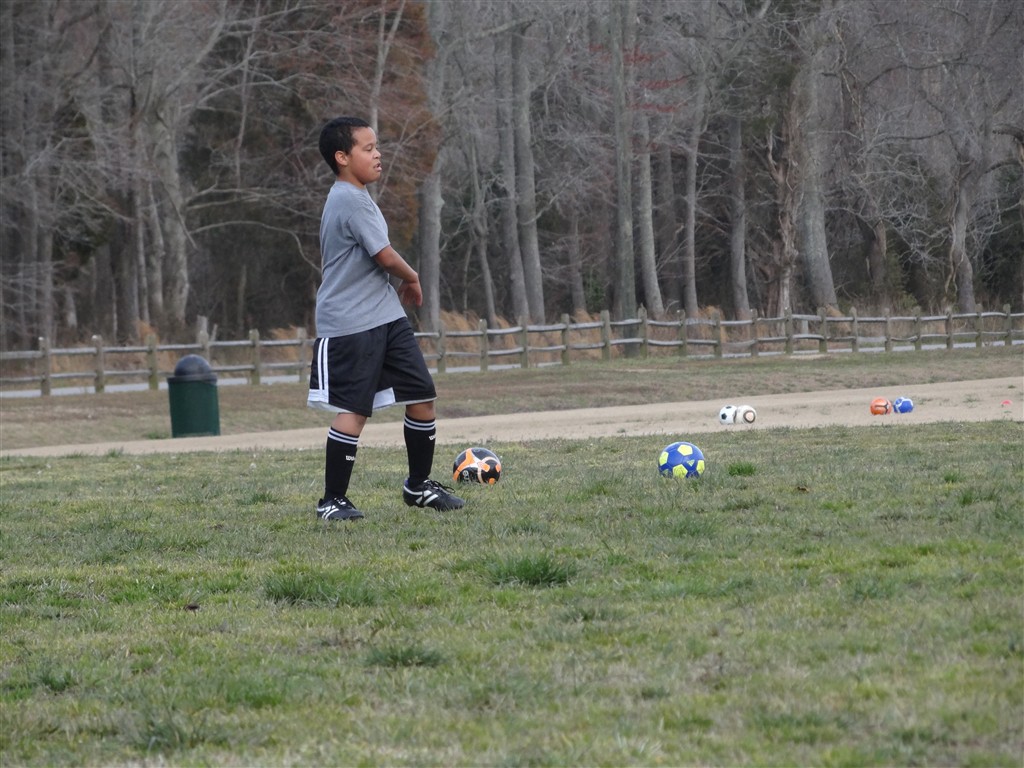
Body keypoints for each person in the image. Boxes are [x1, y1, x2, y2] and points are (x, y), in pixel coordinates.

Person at [307, 116, 464, 521]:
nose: (378, 155)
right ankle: (332, 501)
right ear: (342, 157)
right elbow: (385, 256)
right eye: (368, 148)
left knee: (422, 396)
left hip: (386, 317)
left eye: (377, 147)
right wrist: (412, 276)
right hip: (351, 323)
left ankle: (418, 486)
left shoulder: (359, 197)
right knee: (354, 411)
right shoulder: (349, 199)